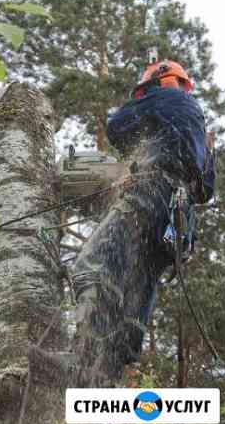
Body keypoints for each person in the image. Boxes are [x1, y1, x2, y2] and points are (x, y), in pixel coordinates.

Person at [72, 60, 215, 387]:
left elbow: (117, 127)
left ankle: (83, 354)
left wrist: (143, 126)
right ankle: (106, 373)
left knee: (93, 265)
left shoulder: (167, 98)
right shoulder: (203, 133)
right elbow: (206, 190)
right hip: (177, 222)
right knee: (139, 284)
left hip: (151, 193)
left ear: (161, 81)